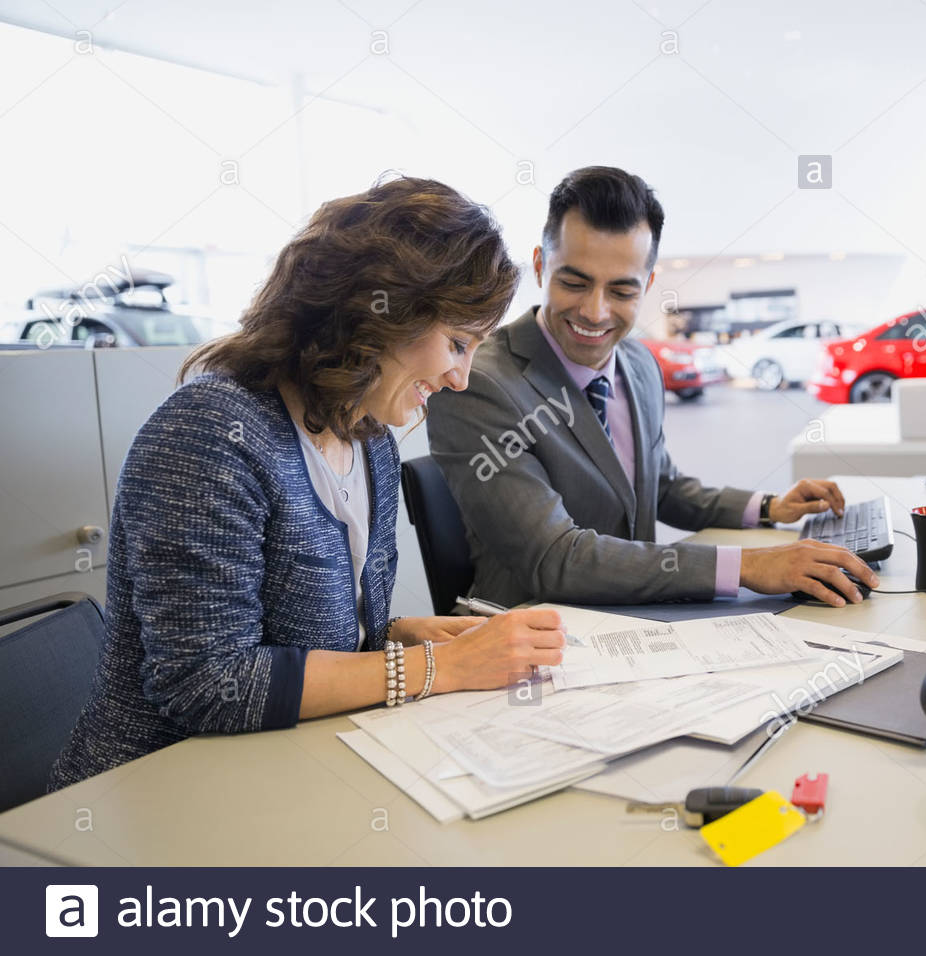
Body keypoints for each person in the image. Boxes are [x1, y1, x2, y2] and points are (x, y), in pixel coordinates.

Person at [48, 176, 565, 791]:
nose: (461, 378)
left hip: (290, 772)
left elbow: (310, 637)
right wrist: (440, 668)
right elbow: (209, 685)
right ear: (379, 312)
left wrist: (395, 636)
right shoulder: (210, 432)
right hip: (159, 796)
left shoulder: (367, 436)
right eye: (457, 343)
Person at [426, 166, 878, 609]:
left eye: (622, 291)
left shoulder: (639, 364)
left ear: (649, 285)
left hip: (638, 621)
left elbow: (660, 487)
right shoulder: (479, 384)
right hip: (532, 637)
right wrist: (745, 566)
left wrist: (770, 506)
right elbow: (555, 558)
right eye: (574, 282)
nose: (595, 311)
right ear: (541, 267)